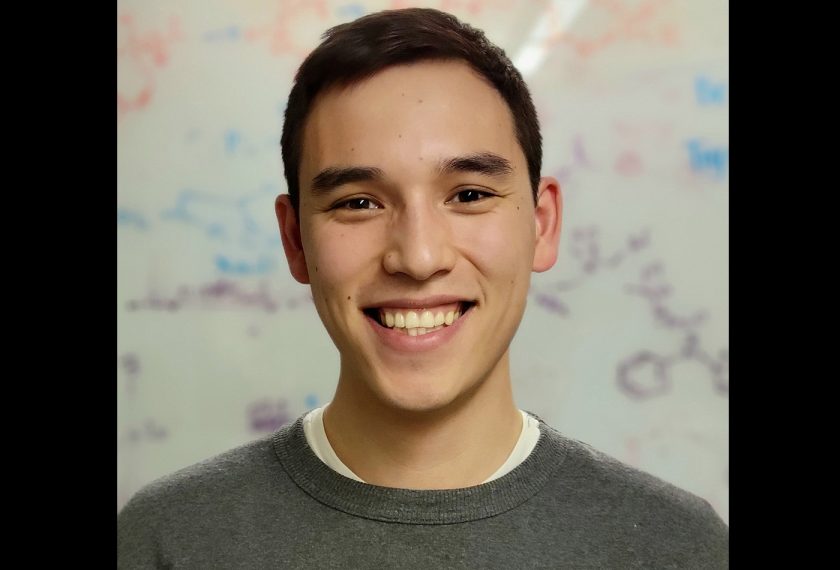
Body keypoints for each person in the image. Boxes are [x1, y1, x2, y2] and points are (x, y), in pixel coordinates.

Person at [118, 8, 728, 568]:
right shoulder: (164, 542)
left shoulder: (678, 548)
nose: (418, 257)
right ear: (295, 240)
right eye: (358, 202)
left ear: (541, 225)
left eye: (469, 195)